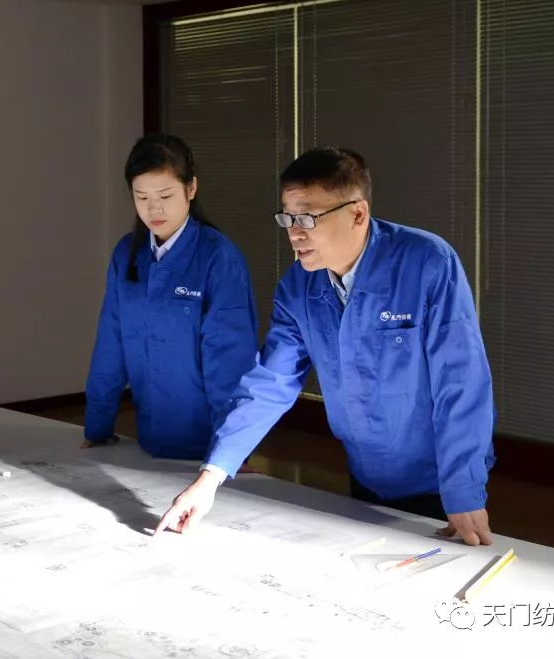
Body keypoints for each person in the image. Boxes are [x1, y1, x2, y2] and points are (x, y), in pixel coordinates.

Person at [154, 146, 496, 547]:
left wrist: (463, 490)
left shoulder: (428, 264)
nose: (294, 233)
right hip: (366, 472)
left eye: (307, 218)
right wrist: (211, 476)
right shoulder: (298, 286)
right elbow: (271, 383)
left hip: (441, 478)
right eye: (287, 218)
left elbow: (461, 384)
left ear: (357, 214)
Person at [82, 133, 259, 463]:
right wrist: (97, 427)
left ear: (191, 188)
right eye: (142, 197)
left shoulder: (218, 257)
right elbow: (111, 345)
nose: (154, 208)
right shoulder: (127, 254)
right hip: (149, 440)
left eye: (165, 195)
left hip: (208, 448)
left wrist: (231, 454)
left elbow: (230, 363)